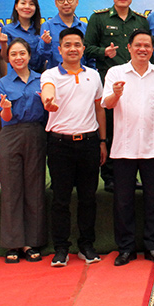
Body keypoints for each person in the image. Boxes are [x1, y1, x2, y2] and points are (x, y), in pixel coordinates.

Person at [101, 30, 154, 266]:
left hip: (153, 146)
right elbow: (107, 104)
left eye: (147, 46)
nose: (143, 49)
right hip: (124, 147)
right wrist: (116, 94)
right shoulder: (115, 72)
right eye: (138, 45)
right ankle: (126, 248)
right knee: (123, 201)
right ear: (129, 47)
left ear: (152, 49)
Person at [40, 28, 107, 266]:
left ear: (83, 49)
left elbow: (99, 108)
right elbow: (47, 93)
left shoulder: (94, 75)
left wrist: (102, 141)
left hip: (89, 143)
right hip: (60, 145)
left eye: (77, 45)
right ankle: (61, 248)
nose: (72, 49)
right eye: (67, 45)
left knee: (88, 198)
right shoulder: (50, 75)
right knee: (61, 199)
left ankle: (86, 245)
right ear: (59, 49)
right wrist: (48, 101)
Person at [84, 0, 149, 192]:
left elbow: (146, 48)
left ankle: (134, 174)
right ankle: (110, 175)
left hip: (138, 81)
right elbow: (86, 48)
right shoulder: (99, 18)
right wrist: (104, 52)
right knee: (112, 127)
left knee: (135, 126)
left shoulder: (140, 21)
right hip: (110, 82)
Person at [0, 38, 48, 264]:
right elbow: (4, 117)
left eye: (22, 53)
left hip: (36, 133)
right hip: (11, 134)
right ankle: (13, 243)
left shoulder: (42, 80)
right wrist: (6, 109)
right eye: (13, 54)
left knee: (34, 188)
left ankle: (32, 242)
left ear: (29, 55)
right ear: (8, 58)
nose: (18, 58)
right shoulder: (2, 84)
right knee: (11, 189)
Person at [38, 0, 91, 71]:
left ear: (76, 2)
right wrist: (46, 44)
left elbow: (90, 56)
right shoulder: (48, 26)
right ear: (56, 3)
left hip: (81, 75)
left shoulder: (85, 27)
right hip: (57, 76)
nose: (66, 3)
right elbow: (41, 57)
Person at [0, 0, 43, 71]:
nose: (27, 7)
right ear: (16, 6)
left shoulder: (42, 29)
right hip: (19, 74)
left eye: (31, 4)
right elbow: (6, 59)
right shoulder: (7, 30)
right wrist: (3, 44)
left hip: (41, 74)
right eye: (23, 3)